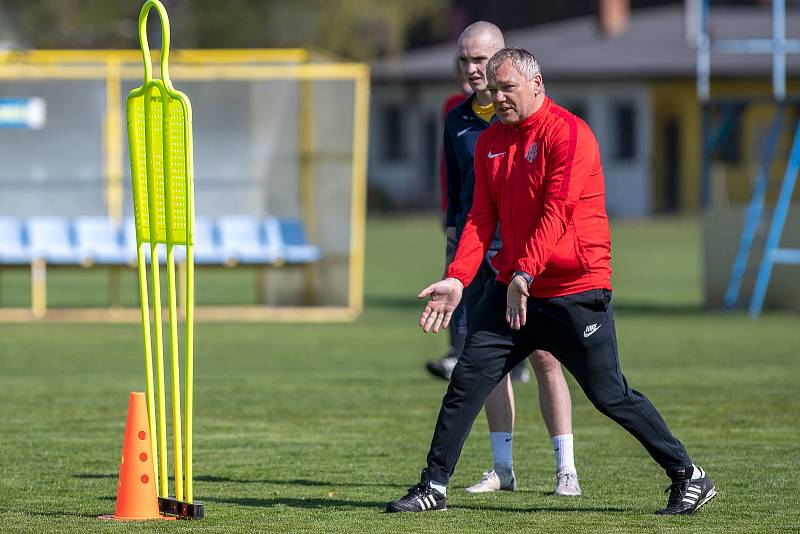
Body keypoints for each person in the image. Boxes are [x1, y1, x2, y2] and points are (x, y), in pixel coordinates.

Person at [386, 47, 717, 515]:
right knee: (468, 378)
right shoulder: (490, 143)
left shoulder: (570, 134)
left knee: (609, 394)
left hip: (574, 289)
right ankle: (433, 487)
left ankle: (689, 475)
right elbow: (481, 218)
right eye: (493, 89)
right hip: (513, 291)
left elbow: (556, 213)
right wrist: (459, 278)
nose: (497, 96)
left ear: (536, 84)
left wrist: (524, 271)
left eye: (507, 88)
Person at [425, 21, 580, 497]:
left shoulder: (527, 116)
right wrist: (453, 234)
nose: (472, 70)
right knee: (484, 360)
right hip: (477, 253)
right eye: (464, 61)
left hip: (530, 251)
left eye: (480, 61)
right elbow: (457, 188)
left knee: (547, 358)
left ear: (501, 61)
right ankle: (503, 468)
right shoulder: (457, 118)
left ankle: (565, 469)